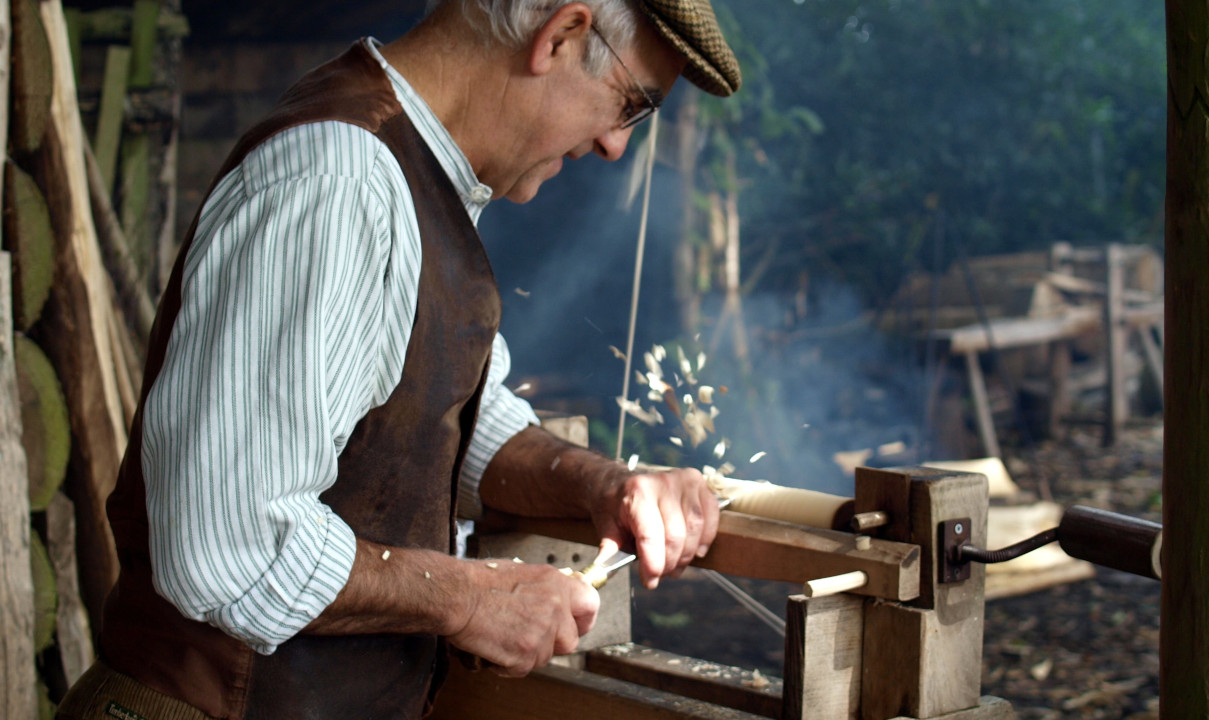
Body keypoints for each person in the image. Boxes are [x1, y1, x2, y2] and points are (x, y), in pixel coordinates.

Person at [56, 0, 740, 718]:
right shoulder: (340, 181)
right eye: (631, 105)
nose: (615, 145)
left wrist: (606, 485)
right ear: (562, 36)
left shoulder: (411, 175)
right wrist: (468, 599)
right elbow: (233, 544)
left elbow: (447, 420)